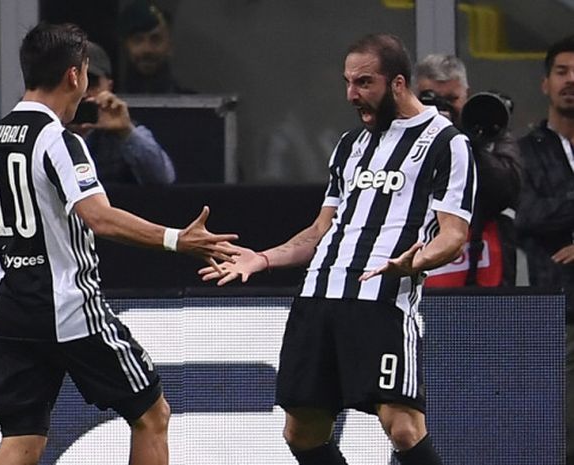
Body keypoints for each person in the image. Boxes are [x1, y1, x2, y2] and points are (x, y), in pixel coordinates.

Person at [200, 33, 475, 465]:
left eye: (364, 83)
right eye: (348, 82)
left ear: (398, 83)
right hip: (318, 299)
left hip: (382, 302)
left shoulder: (447, 143)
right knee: (301, 432)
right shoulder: (350, 146)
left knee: (402, 426)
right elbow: (319, 232)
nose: (352, 94)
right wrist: (264, 258)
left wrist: (415, 262)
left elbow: (453, 234)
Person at [0, 22, 239, 465]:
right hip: (68, 309)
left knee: (20, 446)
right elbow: (97, 217)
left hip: (13, 308)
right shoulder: (60, 139)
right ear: (74, 76)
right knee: (152, 414)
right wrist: (177, 239)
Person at [516, 35, 574, 465]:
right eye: (562, 72)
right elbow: (530, 215)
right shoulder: (524, 150)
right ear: (545, 83)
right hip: (556, 309)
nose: (571, 81)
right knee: (562, 433)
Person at [415, 54, 522, 287]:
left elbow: (507, 190)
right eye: (432, 100)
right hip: (420, 254)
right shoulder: (398, 136)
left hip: (479, 259)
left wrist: (466, 139)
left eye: (452, 99)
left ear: (467, 95)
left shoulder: (491, 131)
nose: (443, 108)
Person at [71, 40, 175, 184]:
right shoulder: (49, 130)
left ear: (109, 86)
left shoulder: (125, 132)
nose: (83, 93)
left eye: (91, 83)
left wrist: (126, 132)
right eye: (73, 83)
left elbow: (163, 178)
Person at [117, 1, 192, 94]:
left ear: (170, 46)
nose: (147, 49)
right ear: (125, 47)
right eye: (138, 40)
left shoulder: (193, 104)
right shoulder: (106, 105)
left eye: (155, 40)